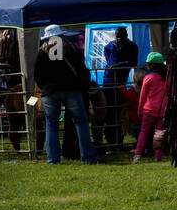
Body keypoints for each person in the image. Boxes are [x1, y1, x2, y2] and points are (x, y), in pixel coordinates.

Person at [35, 24, 97, 164]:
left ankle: (53, 159)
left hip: (50, 92)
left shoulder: (42, 53)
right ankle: (88, 157)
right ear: (61, 36)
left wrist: (45, 87)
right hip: (72, 90)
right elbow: (82, 71)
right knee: (81, 122)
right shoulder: (72, 49)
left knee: (51, 125)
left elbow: (38, 76)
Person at [102, 26, 138, 147]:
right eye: (117, 36)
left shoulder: (132, 46)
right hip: (108, 81)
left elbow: (133, 62)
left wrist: (119, 65)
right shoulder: (110, 45)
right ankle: (110, 142)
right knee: (108, 113)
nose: (118, 39)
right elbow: (107, 54)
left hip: (120, 83)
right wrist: (112, 65)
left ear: (126, 35)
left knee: (119, 113)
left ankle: (119, 142)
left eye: (121, 36)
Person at [133, 52, 168, 163]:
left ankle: (137, 156)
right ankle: (158, 157)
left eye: (148, 63)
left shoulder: (148, 78)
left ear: (153, 65)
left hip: (148, 110)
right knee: (159, 134)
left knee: (144, 133)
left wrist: (139, 109)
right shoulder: (168, 77)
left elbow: (142, 96)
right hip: (163, 111)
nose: (147, 65)